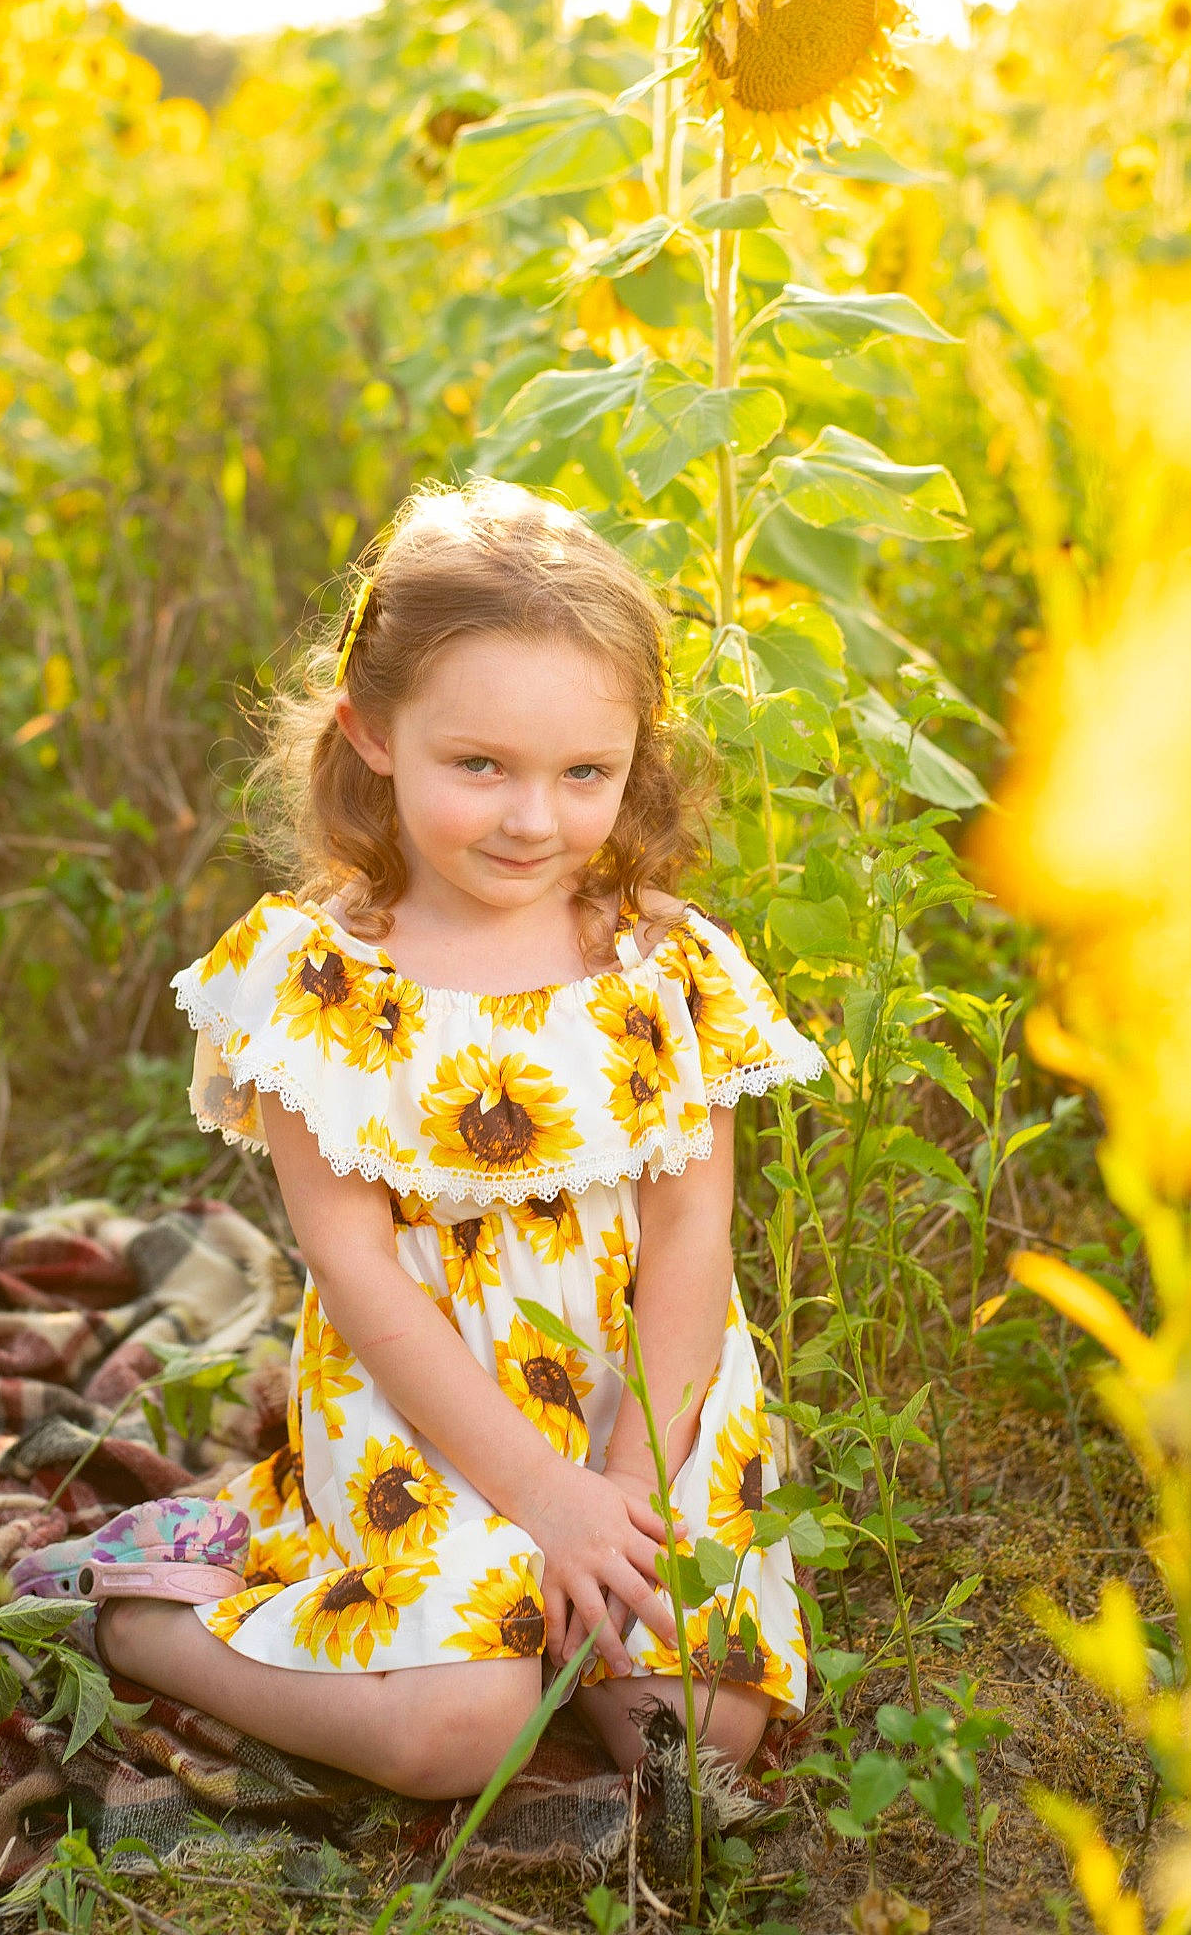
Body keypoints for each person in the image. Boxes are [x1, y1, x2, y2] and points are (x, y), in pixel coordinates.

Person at [64, 477, 826, 1802]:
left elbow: (693, 1226)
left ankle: (571, 1623)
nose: (534, 819)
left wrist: (622, 1494)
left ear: (633, 755)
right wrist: (540, 1496)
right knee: (458, 1738)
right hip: (426, 1415)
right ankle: (152, 1626)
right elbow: (353, 1270)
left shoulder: (662, 965)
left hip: (633, 1394)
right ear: (368, 732)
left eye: (584, 773)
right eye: (480, 766)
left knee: (693, 1734)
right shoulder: (319, 978)